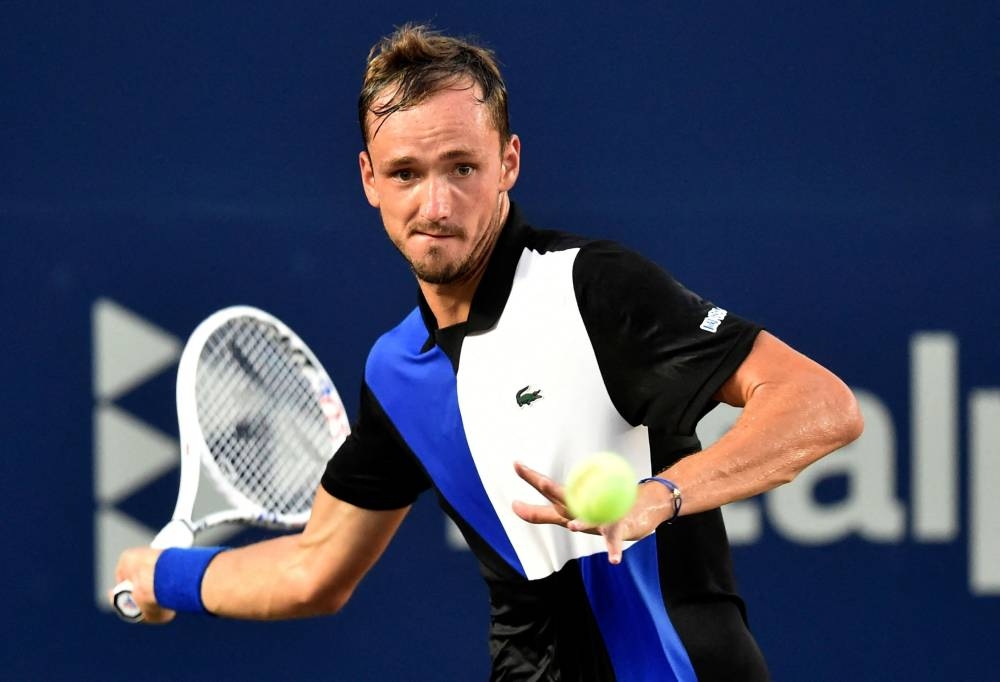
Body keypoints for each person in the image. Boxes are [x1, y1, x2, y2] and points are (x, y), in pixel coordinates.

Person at [114, 24, 863, 681]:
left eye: (461, 168)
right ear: (369, 180)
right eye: (406, 173)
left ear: (507, 163)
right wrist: (167, 578)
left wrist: (658, 497)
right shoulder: (398, 371)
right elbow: (316, 569)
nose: (434, 205)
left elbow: (822, 405)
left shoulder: (589, 288)